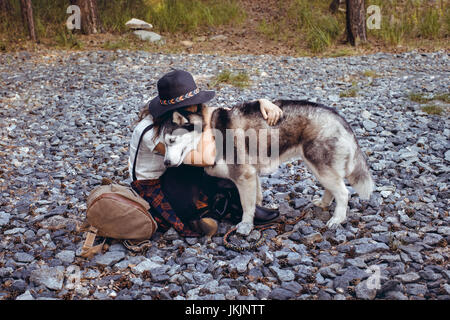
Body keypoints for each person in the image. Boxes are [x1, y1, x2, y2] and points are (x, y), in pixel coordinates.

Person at [128, 69, 283, 237]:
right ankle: (205, 214)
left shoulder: (188, 113)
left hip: (176, 171)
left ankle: (235, 206)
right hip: (153, 184)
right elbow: (204, 159)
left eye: (196, 103)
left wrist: (261, 102)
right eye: (189, 106)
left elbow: (226, 113)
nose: (196, 108)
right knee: (218, 157)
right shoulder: (151, 132)